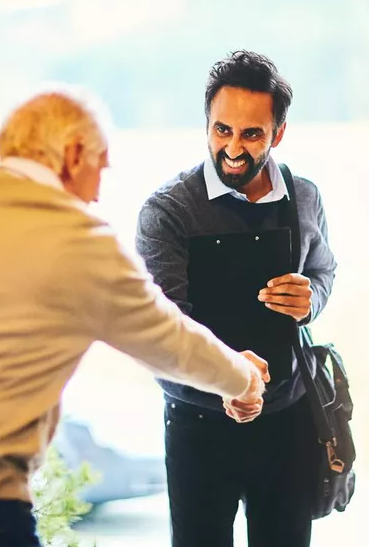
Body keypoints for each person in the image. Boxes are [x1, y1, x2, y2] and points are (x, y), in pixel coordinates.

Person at [0, 89, 269, 547]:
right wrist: (243, 377)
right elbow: (175, 344)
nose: (99, 191)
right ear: (72, 155)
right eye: (99, 168)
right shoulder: (85, 244)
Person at [136, 51, 337, 547]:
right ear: (207, 124)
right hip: (199, 424)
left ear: (279, 133)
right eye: (221, 130)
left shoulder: (305, 196)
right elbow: (161, 332)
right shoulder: (167, 212)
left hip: (287, 422)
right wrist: (228, 381)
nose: (232, 148)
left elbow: (324, 270)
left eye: (251, 134)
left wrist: (310, 297)